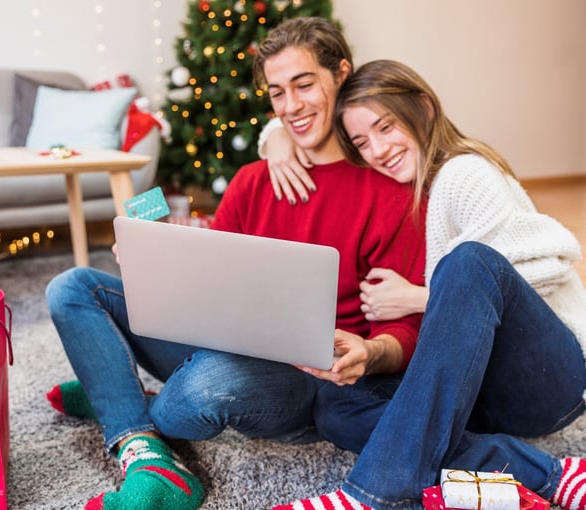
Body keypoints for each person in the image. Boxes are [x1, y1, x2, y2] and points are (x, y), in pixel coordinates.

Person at [45, 19, 428, 510]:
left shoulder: (387, 190)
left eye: (304, 84)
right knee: (72, 287)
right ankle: (146, 454)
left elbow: (409, 328)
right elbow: (213, 280)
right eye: (277, 92)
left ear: (340, 74)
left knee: (194, 396)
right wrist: (157, 263)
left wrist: (370, 354)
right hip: (223, 341)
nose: (291, 107)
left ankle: (114, 395)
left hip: (305, 377)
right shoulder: (253, 179)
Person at [265, 59, 586, 510]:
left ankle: (371, 492)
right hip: (478, 388)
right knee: (340, 409)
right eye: (362, 141)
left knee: (469, 261)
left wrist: (419, 296)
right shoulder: (405, 185)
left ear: (424, 109)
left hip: (548, 380)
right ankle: (549, 475)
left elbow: (542, 266)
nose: (377, 149)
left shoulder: (463, 172)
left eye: (386, 127)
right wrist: (275, 137)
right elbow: (309, 132)